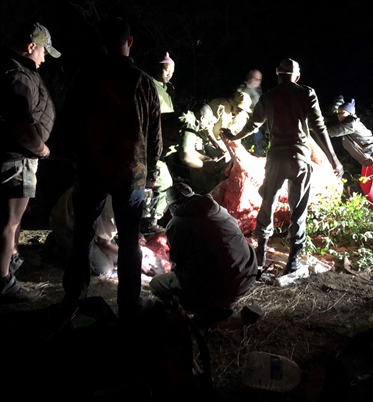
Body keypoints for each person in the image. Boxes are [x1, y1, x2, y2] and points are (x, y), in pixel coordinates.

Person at [61, 17, 162, 320]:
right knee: (129, 239)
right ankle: (129, 306)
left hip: (92, 171)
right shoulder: (143, 82)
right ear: (129, 42)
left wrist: (78, 159)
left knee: (83, 235)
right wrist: (152, 172)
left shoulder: (85, 77)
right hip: (131, 174)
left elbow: (68, 125)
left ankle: (74, 300)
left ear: (103, 44)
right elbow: (155, 133)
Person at [222, 58, 344, 274]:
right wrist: (334, 159)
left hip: (276, 159)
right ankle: (293, 261)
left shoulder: (269, 96)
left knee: (267, 204)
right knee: (299, 209)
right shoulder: (306, 93)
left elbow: (252, 125)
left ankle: (260, 258)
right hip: (299, 158)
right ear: (296, 77)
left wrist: (234, 135)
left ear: (278, 76)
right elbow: (319, 127)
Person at [0, 21, 60, 303]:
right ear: (30, 46)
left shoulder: (14, 69)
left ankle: (8, 266)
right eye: (44, 51)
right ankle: (2, 283)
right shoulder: (16, 75)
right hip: (16, 158)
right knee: (9, 221)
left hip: (15, 157)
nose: (45, 57)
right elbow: (20, 126)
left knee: (12, 219)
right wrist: (42, 149)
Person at [149, 183, 257, 325]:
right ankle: (222, 306)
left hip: (221, 285)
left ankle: (198, 311)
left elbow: (178, 265)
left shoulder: (177, 224)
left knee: (156, 284)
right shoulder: (220, 210)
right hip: (247, 276)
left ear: (174, 207)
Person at [327, 99, 373, 217]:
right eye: (338, 112)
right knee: (365, 185)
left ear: (350, 113)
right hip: (369, 160)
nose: (339, 115)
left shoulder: (351, 124)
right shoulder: (345, 125)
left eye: (342, 112)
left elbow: (332, 131)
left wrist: (315, 128)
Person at [141, 52, 177, 234]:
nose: (169, 74)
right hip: (148, 144)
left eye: (172, 70)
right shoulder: (149, 86)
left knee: (154, 183)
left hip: (161, 145)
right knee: (159, 183)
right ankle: (150, 221)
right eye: (166, 70)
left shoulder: (166, 89)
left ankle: (150, 219)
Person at [208, 89, 253, 157]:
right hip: (206, 140)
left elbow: (237, 136)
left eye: (243, 109)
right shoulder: (218, 105)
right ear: (233, 103)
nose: (240, 111)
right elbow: (207, 127)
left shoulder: (243, 117)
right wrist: (217, 146)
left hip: (223, 143)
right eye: (239, 108)